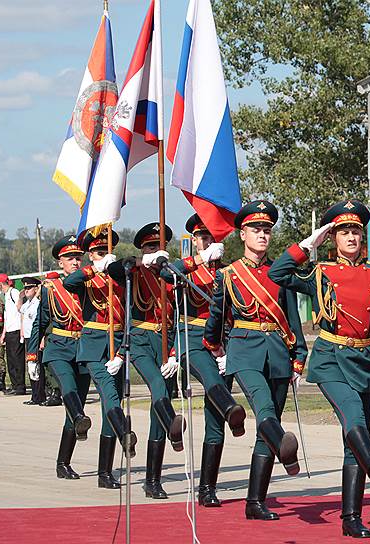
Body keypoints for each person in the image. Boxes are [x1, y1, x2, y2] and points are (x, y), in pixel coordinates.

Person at [270, 200, 370, 538]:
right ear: (334, 238)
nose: (351, 236)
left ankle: (351, 518)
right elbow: (278, 273)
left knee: (353, 442)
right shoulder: (321, 272)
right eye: (343, 231)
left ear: (363, 236)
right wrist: (306, 245)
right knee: (353, 418)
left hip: (365, 362)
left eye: (356, 230)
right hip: (330, 358)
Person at [204, 200, 307, 521]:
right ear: (242, 233)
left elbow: (292, 319)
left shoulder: (280, 273)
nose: (262, 235)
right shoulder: (229, 275)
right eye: (256, 229)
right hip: (244, 349)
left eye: (267, 230)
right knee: (263, 408)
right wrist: (214, 346)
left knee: (269, 420)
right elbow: (217, 318)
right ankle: (284, 446)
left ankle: (255, 501)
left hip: (277, 351)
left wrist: (299, 357)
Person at [161, 214, 247, 507]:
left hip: (223, 341)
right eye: (203, 237)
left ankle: (207, 488)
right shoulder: (187, 270)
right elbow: (166, 273)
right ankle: (233, 410)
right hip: (192, 339)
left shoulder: (227, 273)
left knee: (214, 420)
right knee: (212, 382)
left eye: (212, 237)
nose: (208, 241)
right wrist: (199, 260)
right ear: (195, 240)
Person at [61, 229, 137, 489]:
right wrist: (95, 269)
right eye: (100, 252)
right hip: (93, 345)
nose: (106, 256)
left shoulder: (120, 276)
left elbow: (134, 274)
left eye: (108, 251)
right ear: (91, 255)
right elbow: (68, 283)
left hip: (116, 345)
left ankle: (105, 472)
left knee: (109, 406)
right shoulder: (86, 279)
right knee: (108, 393)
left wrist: (116, 266)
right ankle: (125, 432)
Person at [126, 222, 185, 500]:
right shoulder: (134, 271)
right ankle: (175, 428)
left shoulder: (171, 276)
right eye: (151, 247)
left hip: (166, 344)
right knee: (158, 390)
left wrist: (175, 353)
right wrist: (141, 261)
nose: (156, 251)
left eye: (160, 247)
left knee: (156, 416)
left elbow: (179, 318)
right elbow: (119, 267)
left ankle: (153, 480)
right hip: (140, 342)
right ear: (143, 249)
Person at [26, 236, 93, 480]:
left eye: (78, 257)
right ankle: (78, 418)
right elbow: (40, 323)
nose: (75, 262)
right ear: (60, 261)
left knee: (76, 408)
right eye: (70, 258)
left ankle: (63, 463)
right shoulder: (51, 288)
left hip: (84, 349)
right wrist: (33, 355)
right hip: (58, 349)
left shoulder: (89, 285)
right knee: (68, 387)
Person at [0, 273, 26, 395]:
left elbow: (20, 310)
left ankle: (20, 386)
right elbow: (7, 317)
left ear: (0, 283)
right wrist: (3, 333)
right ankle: (14, 385)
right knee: (11, 360)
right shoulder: (6, 295)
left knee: (17, 359)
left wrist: (22, 330)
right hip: (9, 331)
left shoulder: (14, 293)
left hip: (16, 330)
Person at [19, 277, 44, 405]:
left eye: (29, 288)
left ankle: (40, 396)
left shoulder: (38, 303)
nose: (26, 290)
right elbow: (20, 310)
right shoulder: (27, 304)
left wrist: (39, 291)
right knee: (31, 366)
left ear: (36, 288)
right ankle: (34, 396)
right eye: (25, 288)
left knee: (37, 366)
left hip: (36, 338)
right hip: (28, 339)